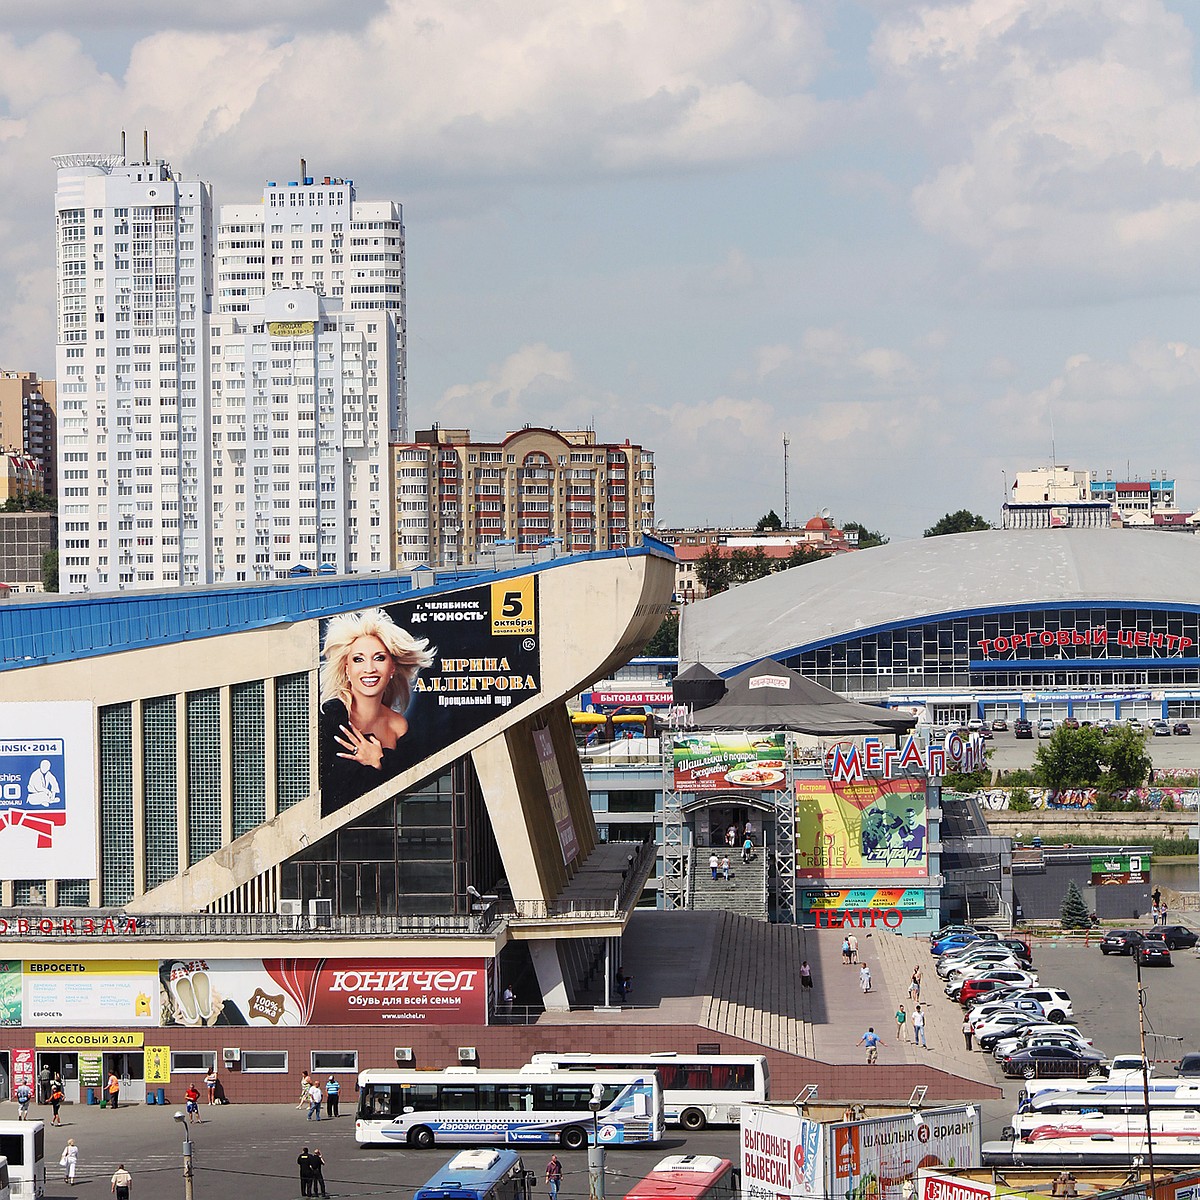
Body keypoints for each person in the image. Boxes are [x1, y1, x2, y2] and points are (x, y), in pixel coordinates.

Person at [319, 607, 436, 810]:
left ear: (392, 668)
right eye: (358, 659)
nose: (369, 668)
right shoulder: (330, 717)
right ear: (347, 669)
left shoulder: (399, 726)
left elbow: (409, 787)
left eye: (379, 658)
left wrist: (379, 760)